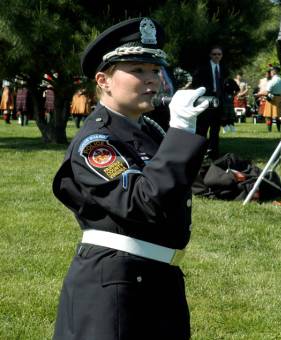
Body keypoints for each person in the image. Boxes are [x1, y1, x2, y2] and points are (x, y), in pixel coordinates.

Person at [52, 17, 209, 340]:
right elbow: (143, 203)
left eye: (154, 71)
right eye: (137, 70)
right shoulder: (96, 143)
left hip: (155, 277)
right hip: (115, 286)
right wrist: (179, 131)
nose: (151, 80)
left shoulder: (147, 129)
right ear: (104, 80)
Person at [192, 45, 229, 159]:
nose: (217, 56)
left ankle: (214, 154)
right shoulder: (202, 68)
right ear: (210, 55)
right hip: (206, 100)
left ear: (222, 56)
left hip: (218, 102)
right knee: (202, 129)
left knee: (215, 130)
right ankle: (199, 152)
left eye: (219, 54)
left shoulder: (224, 68)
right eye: (214, 54)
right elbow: (195, 83)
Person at [257, 65, 281, 132]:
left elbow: (267, 92)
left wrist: (258, 94)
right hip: (279, 98)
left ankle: (269, 130)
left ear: (273, 72)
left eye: (271, 71)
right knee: (277, 116)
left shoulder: (272, 81)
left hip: (271, 99)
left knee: (268, 116)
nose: (270, 72)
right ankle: (279, 130)